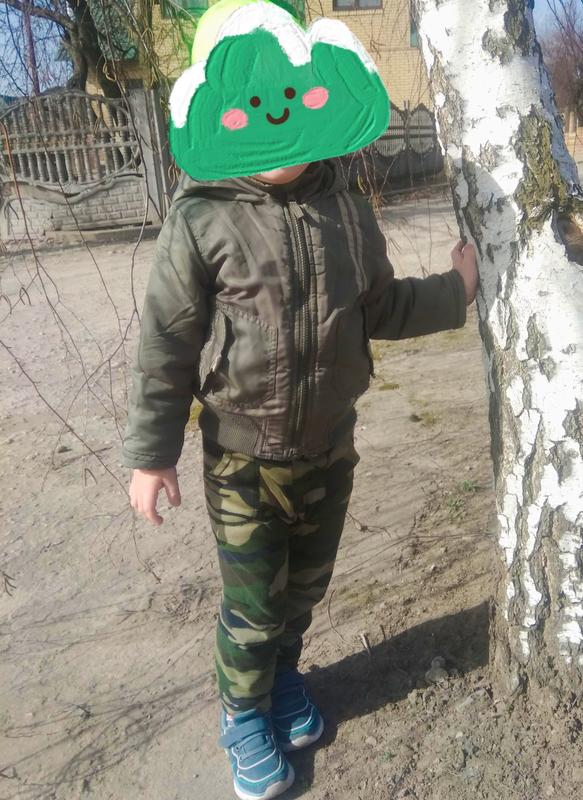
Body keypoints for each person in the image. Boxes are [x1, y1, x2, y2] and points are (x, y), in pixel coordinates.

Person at [122, 156, 478, 800]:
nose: (280, 125)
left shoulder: (345, 208)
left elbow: (380, 306)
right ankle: (242, 714)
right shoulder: (202, 215)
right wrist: (152, 455)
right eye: (258, 110)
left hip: (329, 451)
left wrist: (457, 290)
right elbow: (167, 342)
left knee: (305, 589)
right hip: (243, 461)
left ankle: (282, 675)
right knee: (256, 606)